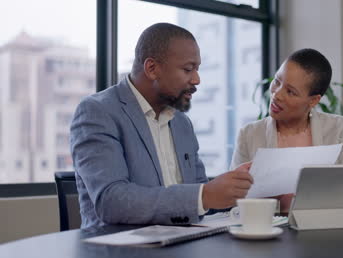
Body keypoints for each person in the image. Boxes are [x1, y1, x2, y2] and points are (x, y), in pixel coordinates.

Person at [70, 23, 253, 229]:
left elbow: (202, 198)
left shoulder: (181, 123)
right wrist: (205, 195)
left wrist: (232, 188)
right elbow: (112, 201)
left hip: (180, 245)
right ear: (152, 68)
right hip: (120, 252)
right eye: (188, 69)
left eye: (197, 69)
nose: (197, 79)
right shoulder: (98, 112)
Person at [230, 48, 343, 212]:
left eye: (290, 91)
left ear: (313, 101)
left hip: (321, 228)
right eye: (277, 81)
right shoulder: (249, 134)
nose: (277, 94)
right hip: (267, 229)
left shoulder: (336, 128)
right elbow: (232, 200)